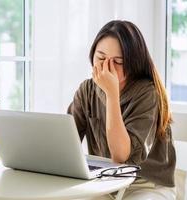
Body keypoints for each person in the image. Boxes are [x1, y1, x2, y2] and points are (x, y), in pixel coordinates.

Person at [67, 20, 176, 200]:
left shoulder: (148, 93)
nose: (106, 67)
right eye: (100, 58)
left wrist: (111, 94)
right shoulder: (87, 90)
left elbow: (121, 155)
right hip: (105, 183)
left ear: (134, 63)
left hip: (145, 185)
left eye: (118, 62)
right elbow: (67, 141)